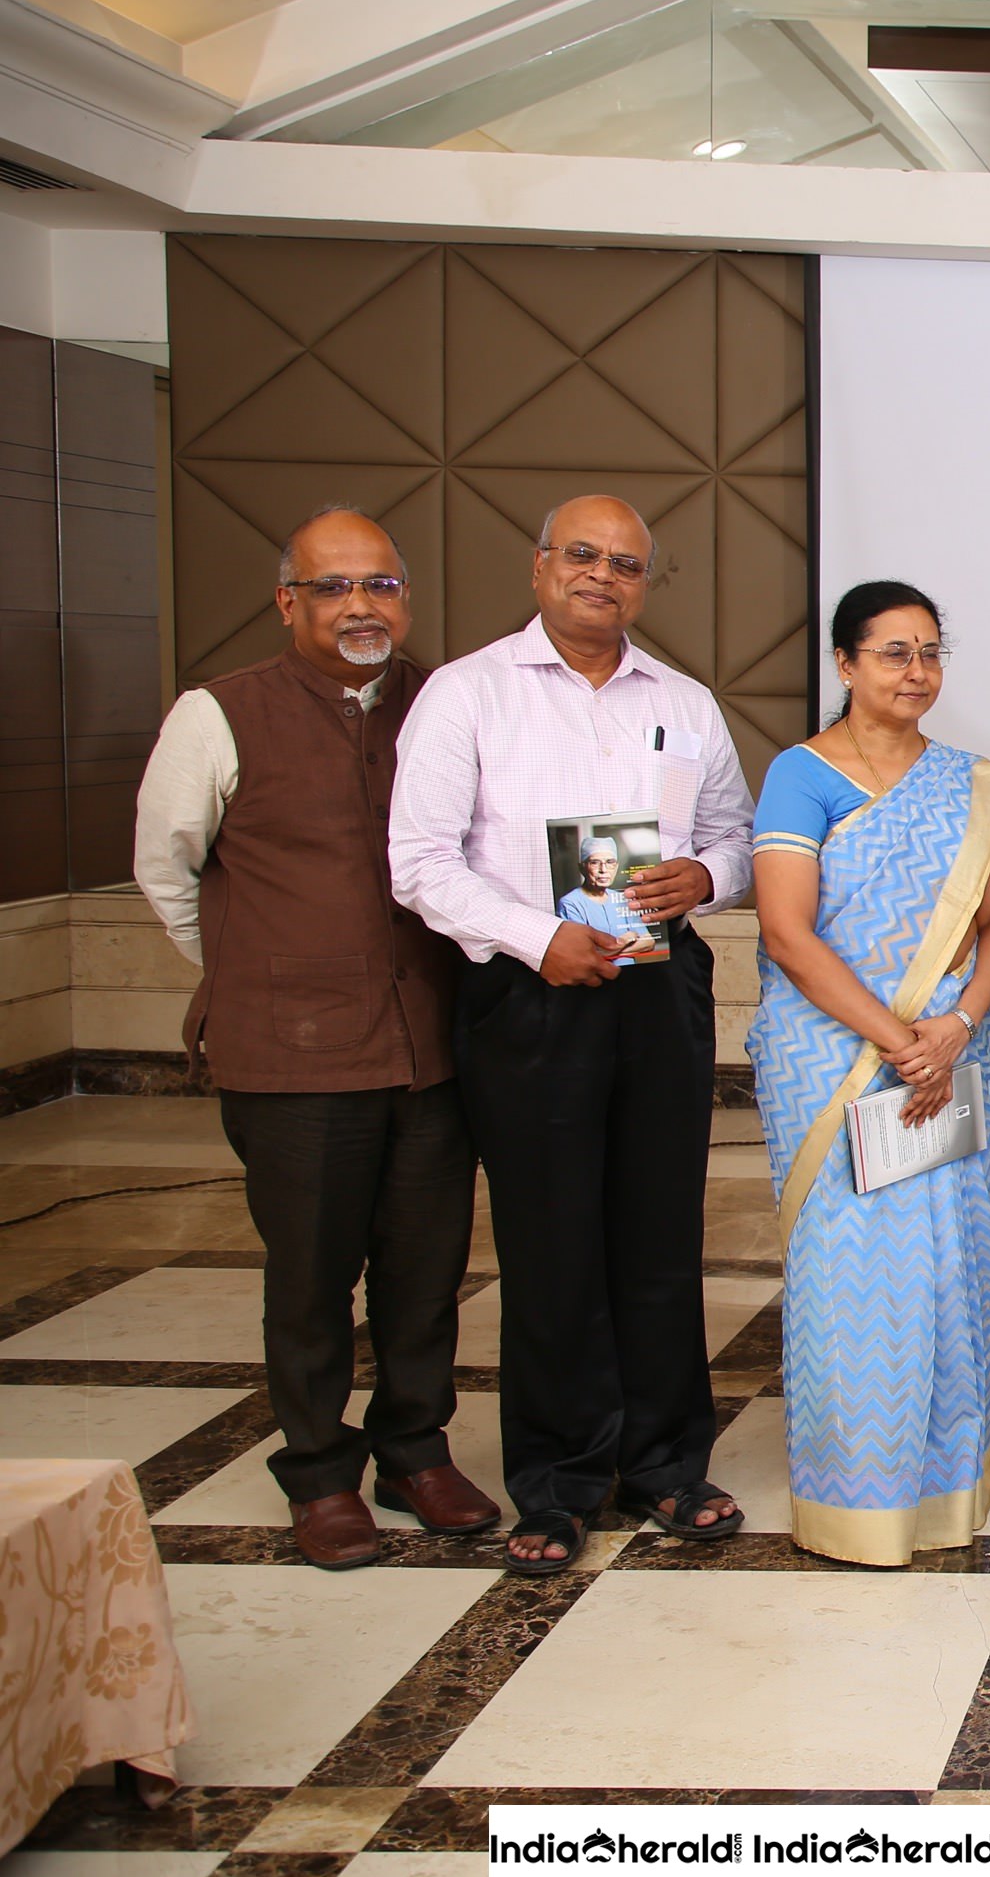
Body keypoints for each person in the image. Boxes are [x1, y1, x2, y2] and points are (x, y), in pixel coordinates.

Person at [390, 494, 755, 1575]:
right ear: (541, 563)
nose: (603, 575)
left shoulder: (686, 701)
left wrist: (710, 876)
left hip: (658, 990)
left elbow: (733, 836)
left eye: (626, 563)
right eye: (583, 555)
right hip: (531, 992)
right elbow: (419, 859)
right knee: (550, 1246)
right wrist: (533, 935)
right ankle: (555, 1482)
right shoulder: (468, 695)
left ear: (646, 582)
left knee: (655, 1235)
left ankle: (664, 1462)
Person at [131, 505, 492, 1570]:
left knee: (427, 1268)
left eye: (380, 585)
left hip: (433, 1037)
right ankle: (321, 1472)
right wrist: (257, 967)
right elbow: (168, 870)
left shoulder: (447, 699)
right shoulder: (220, 712)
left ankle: (415, 1450)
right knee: (311, 1272)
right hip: (292, 1052)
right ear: (289, 599)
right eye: (334, 586)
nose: (360, 606)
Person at [749, 582, 990, 1564]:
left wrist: (955, 1023)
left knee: (949, 1265)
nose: (916, 672)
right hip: (837, 1060)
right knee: (854, 1271)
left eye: (929, 653)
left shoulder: (970, 780)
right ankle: (857, 1497)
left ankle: (945, 1490)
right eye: (892, 653)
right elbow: (787, 932)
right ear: (844, 663)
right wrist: (899, 1037)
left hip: (949, 1054)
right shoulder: (802, 774)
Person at [556, 838, 655, 956]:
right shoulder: (570, 903)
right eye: (594, 862)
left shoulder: (622, 898)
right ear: (582, 868)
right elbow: (583, 952)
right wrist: (625, 940)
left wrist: (610, 952)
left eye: (610, 862)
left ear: (616, 867)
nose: (603, 870)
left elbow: (649, 942)